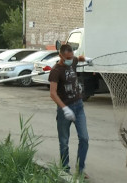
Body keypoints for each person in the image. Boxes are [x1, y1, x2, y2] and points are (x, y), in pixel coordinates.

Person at [48, 44, 89, 176]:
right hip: (65, 109)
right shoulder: (56, 71)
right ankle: (65, 170)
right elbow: (53, 93)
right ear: (60, 56)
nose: (70, 59)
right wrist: (65, 108)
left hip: (79, 106)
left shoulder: (73, 61)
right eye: (67, 58)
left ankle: (80, 169)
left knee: (84, 138)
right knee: (64, 142)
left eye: (71, 57)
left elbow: (79, 58)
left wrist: (86, 59)